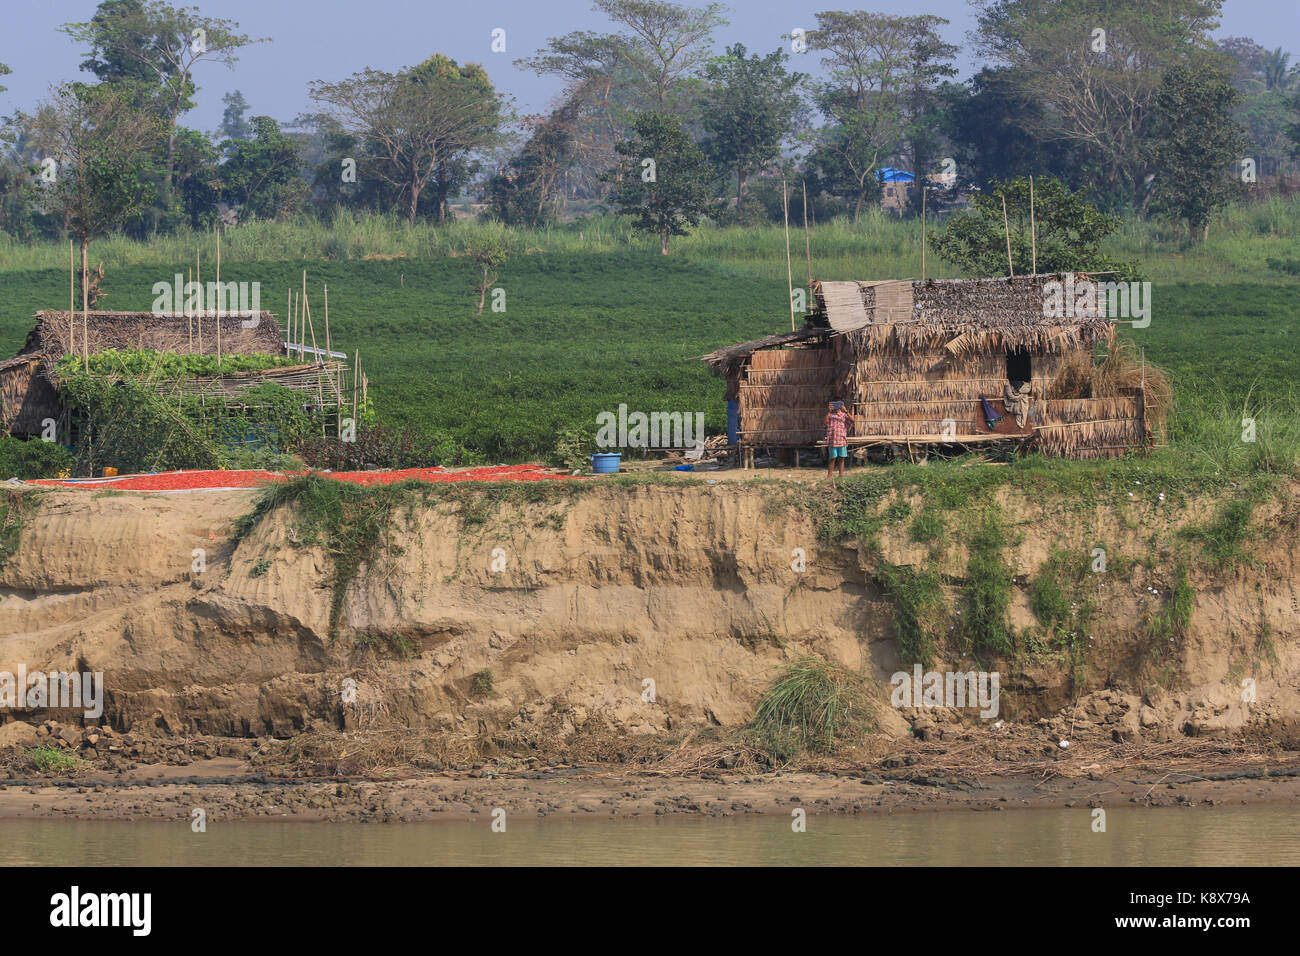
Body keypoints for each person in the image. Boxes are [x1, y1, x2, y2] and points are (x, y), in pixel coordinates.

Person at [825, 400, 853, 479]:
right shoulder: (830, 415)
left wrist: (846, 411)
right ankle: (829, 477)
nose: (836, 407)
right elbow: (825, 422)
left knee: (841, 459)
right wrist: (829, 412)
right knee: (832, 459)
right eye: (835, 405)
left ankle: (841, 476)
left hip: (841, 440)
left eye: (838, 405)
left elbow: (852, 420)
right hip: (832, 441)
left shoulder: (844, 415)